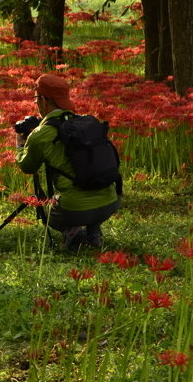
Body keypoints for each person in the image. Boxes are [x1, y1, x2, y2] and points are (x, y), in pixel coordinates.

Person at [14, 74, 119, 251]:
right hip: (111, 203)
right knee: (91, 192)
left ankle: (72, 230)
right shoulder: (87, 122)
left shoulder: (40, 134)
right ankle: (94, 233)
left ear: (43, 100)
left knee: (45, 207)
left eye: (36, 99)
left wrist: (20, 143)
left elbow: (27, 166)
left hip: (74, 209)